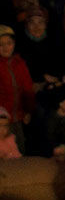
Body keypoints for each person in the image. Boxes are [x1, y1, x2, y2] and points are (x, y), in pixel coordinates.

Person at [0, 25, 35, 153]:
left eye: (9, 43)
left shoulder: (20, 64)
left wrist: (28, 110)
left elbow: (28, 89)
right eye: (1, 44)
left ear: (14, 43)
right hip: (3, 117)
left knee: (19, 147)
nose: (5, 47)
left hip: (18, 115)